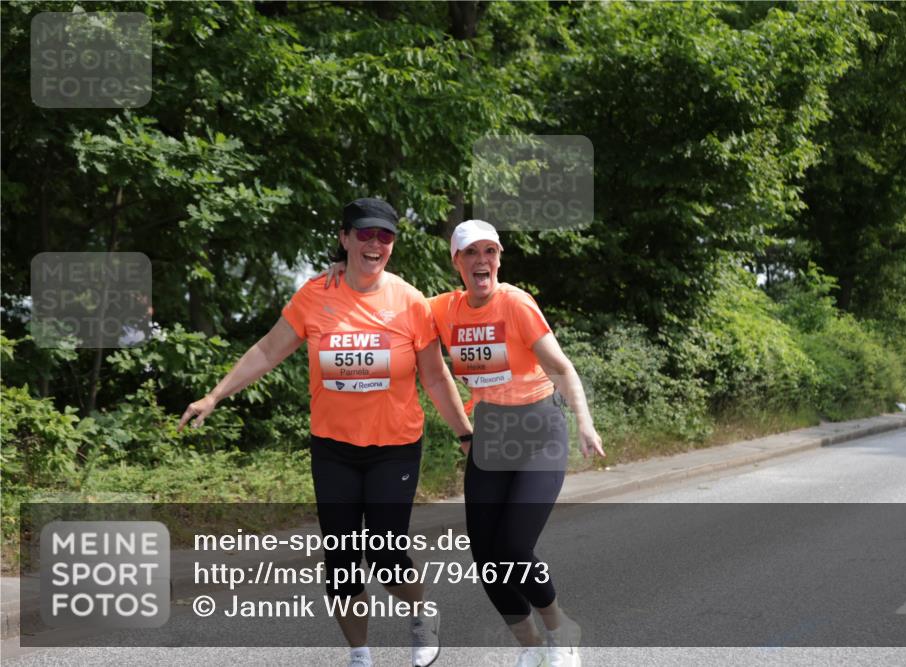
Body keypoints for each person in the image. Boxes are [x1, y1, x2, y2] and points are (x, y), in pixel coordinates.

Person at [179, 197, 473, 667]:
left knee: (386, 555)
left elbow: (434, 377)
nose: (374, 244)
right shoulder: (317, 294)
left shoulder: (409, 302)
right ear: (344, 239)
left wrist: (465, 433)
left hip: (394, 449)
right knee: (340, 564)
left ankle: (420, 612)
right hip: (333, 449)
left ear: (393, 245)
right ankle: (360, 654)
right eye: (364, 234)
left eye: (384, 236)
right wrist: (214, 395)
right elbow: (268, 350)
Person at [326, 219, 604, 667]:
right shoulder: (442, 309)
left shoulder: (516, 304)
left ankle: (559, 628)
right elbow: (391, 296)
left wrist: (586, 424)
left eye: (489, 252)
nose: (482, 261)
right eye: (471, 253)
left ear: (498, 258)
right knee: (487, 559)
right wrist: (343, 268)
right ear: (456, 261)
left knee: (513, 548)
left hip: (538, 432)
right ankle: (531, 648)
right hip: (490, 433)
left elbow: (563, 368)